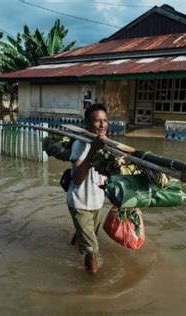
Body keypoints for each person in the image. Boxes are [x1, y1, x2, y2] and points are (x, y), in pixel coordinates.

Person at [66, 103, 108, 274]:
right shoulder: (81, 144)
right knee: (93, 251)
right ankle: (93, 285)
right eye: (97, 121)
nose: (102, 125)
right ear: (87, 123)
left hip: (96, 203)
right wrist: (92, 151)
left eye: (105, 120)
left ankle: (72, 246)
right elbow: (76, 179)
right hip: (80, 203)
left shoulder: (107, 145)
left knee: (88, 236)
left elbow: (108, 175)